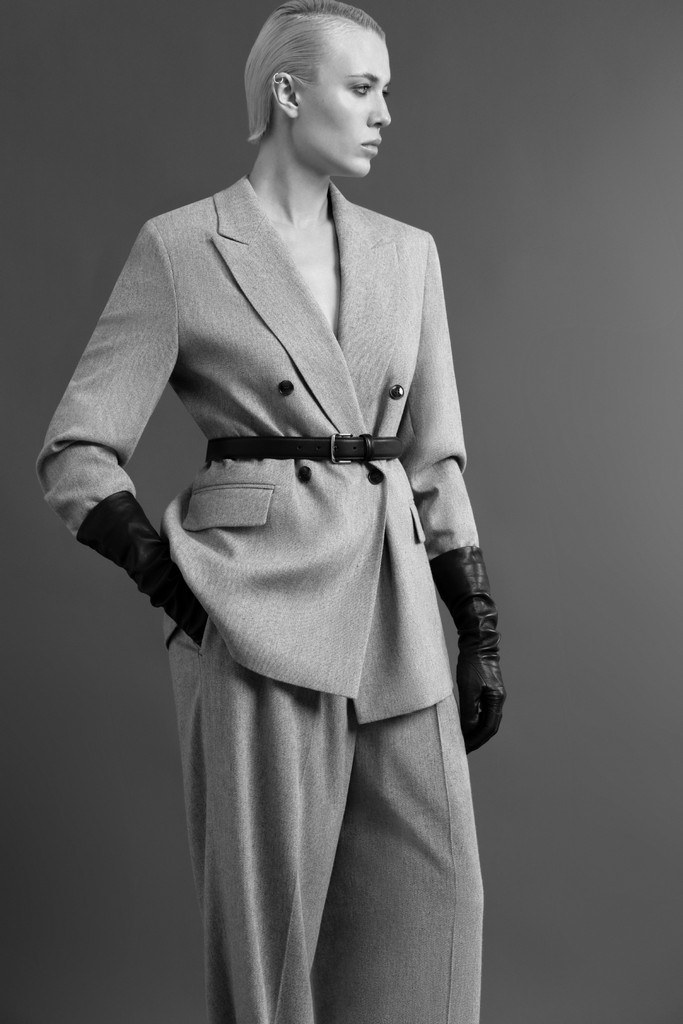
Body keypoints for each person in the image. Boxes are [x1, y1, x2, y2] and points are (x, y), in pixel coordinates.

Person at [36, 1, 506, 1021]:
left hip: (395, 608)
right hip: (256, 610)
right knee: (269, 937)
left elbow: (431, 456)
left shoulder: (407, 253)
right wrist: (175, 587)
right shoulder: (182, 247)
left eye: (386, 90)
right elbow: (77, 449)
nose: (384, 113)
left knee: (435, 908)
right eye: (362, 87)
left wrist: (474, 622)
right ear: (288, 94)